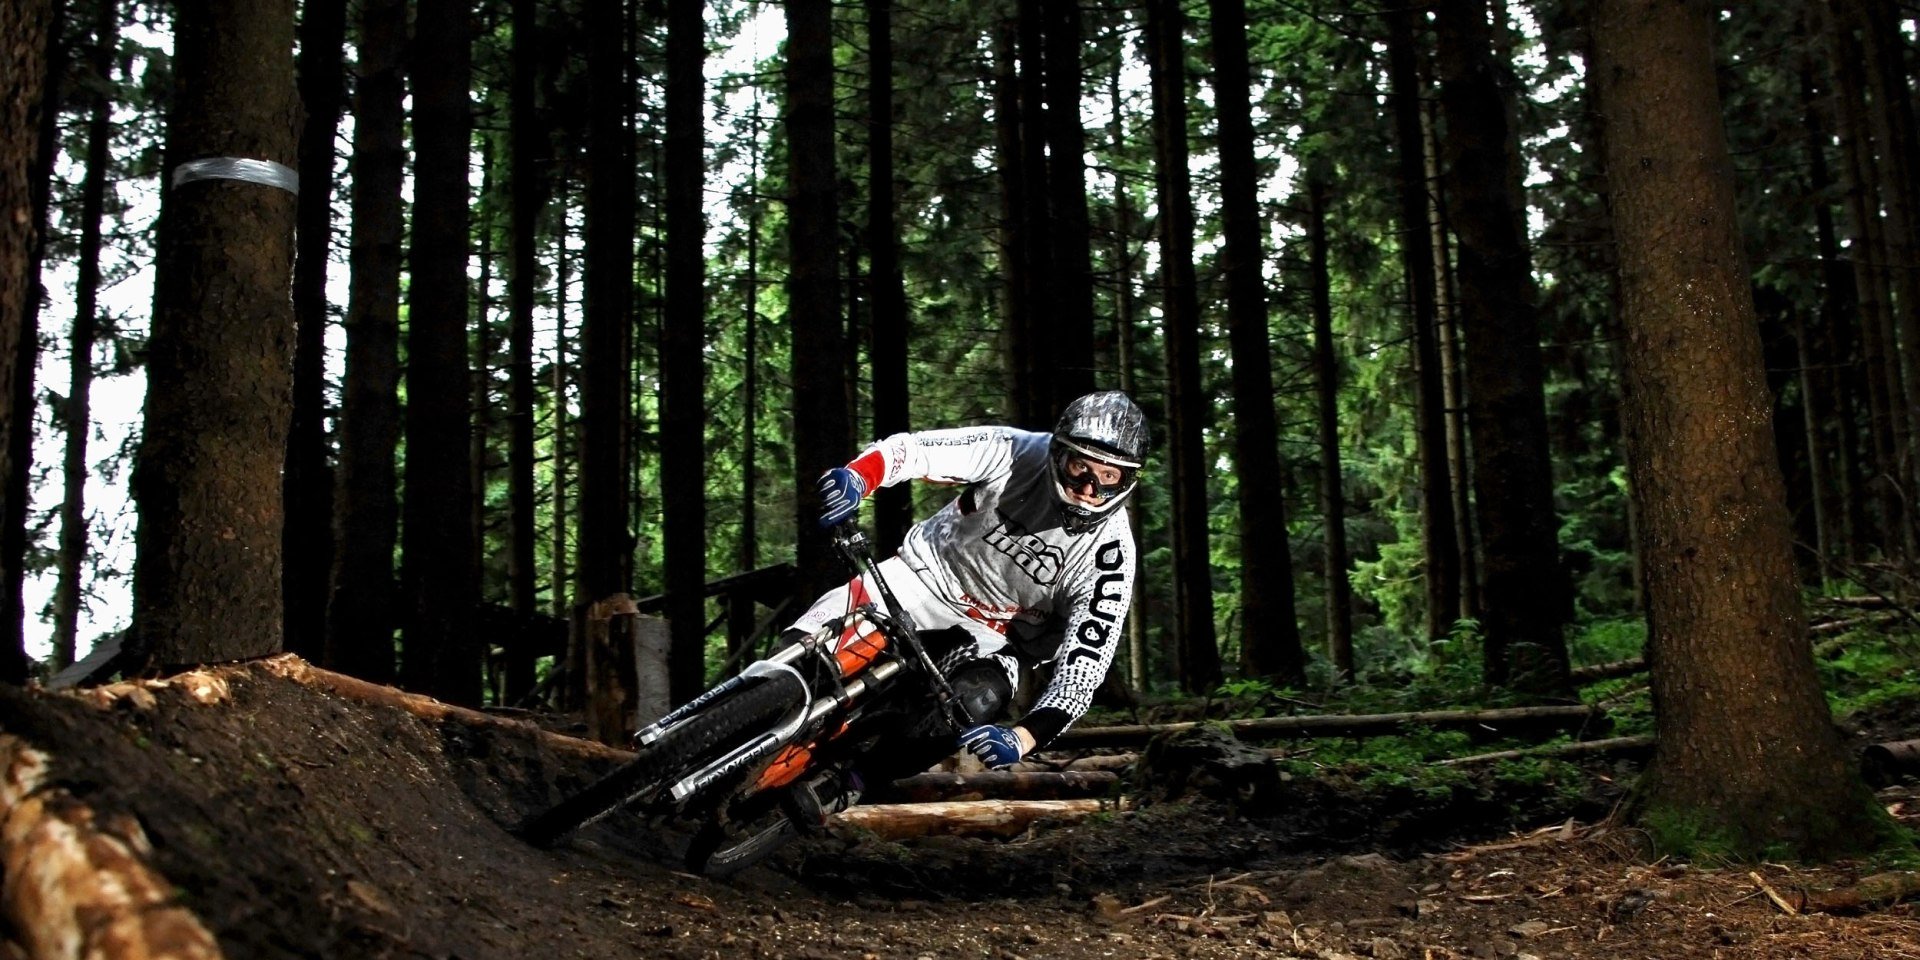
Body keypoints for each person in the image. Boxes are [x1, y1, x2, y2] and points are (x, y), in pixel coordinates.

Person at [783, 390, 1144, 826]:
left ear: (1128, 481)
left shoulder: (1112, 559)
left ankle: (854, 779)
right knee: (805, 646)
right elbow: (914, 451)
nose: (1090, 487)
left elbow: (1083, 671)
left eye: (1109, 476)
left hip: (1001, 640)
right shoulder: (1015, 450)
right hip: (922, 576)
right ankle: (756, 692)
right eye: (1079, 467)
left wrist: (1024, 738)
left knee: (971, 704)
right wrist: (859, 477)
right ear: (1057, 452)